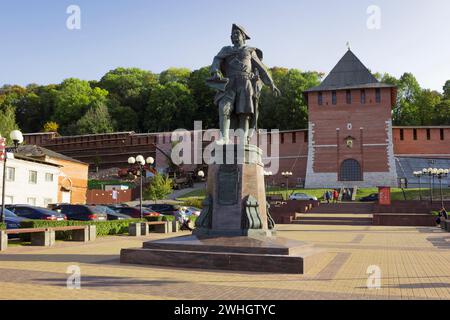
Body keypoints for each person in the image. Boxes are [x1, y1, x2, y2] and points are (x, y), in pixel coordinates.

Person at [208, 24, 281, 145]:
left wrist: (271, 83)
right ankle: (224, 137)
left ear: (243, 37)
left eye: (237, 33)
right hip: (229, 83)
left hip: (245, 83)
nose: (234, 35)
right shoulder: (225, 50)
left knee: (244, 112)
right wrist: (215, 71)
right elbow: (217, 60)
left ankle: (243, 140)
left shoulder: (250, 51)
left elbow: (261, 68)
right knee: (224, 107)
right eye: (233, 34)